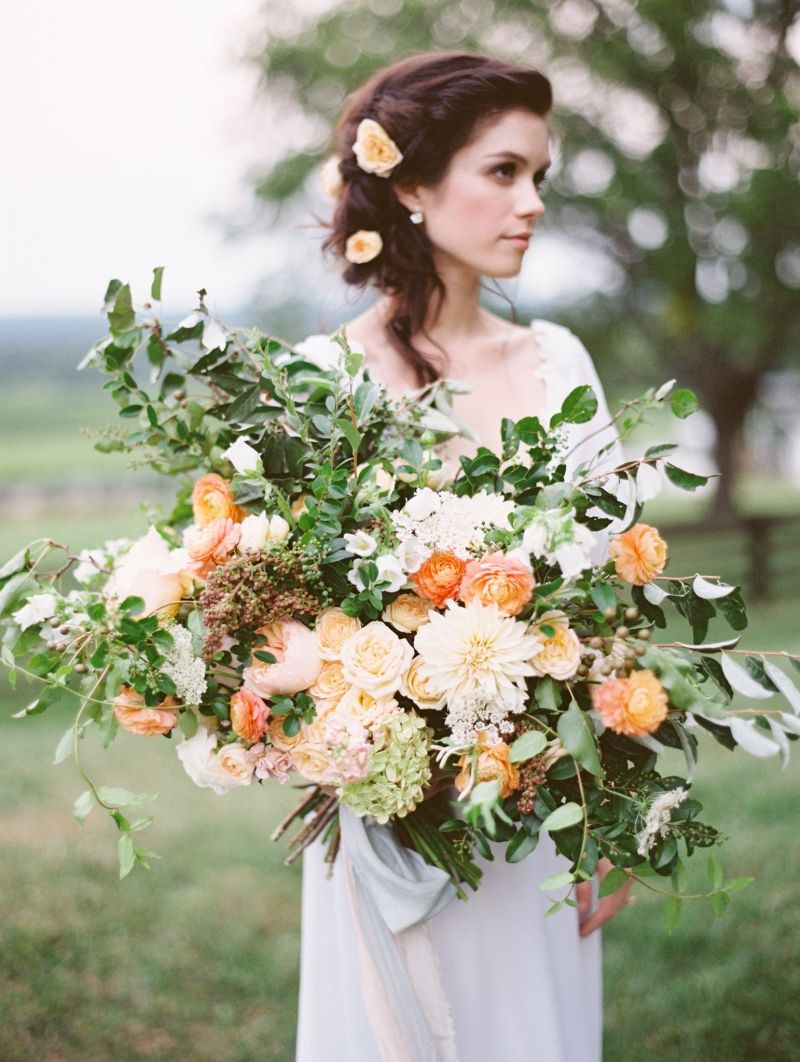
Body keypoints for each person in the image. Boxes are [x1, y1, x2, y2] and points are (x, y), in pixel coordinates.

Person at [295, 51, 633, 1062]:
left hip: (532, 815)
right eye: (501, 172)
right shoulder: (327, 383)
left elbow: (614, 606)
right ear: (409, 184)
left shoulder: (557, 364)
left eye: (539, 177)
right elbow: (288, 617)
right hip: (392, 818)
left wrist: (604, 818)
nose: (529, 202)